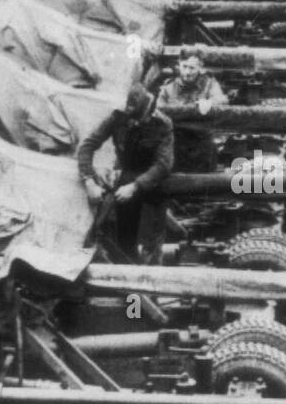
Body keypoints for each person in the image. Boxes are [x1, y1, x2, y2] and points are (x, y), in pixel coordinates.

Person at [77, 83, 174, 262]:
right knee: (124, 240)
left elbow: (163, 165)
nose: (141, 122)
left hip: (154, 183)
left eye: (144, 118)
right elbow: (87, 147)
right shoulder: (117, 118)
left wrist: (135, 186)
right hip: (127, 178)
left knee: (151, 244)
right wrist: (89, 181)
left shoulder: (162, 124)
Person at [156, 48, 228, 172]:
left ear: (200, 69)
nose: (187, 72)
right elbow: (158, 111)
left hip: (202, 145)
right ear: (179, 65)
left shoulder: (209, 84)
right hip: (176, 143)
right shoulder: (168, 88)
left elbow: (222, 100)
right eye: (184, 66)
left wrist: (210, 102)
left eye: (192, 68)